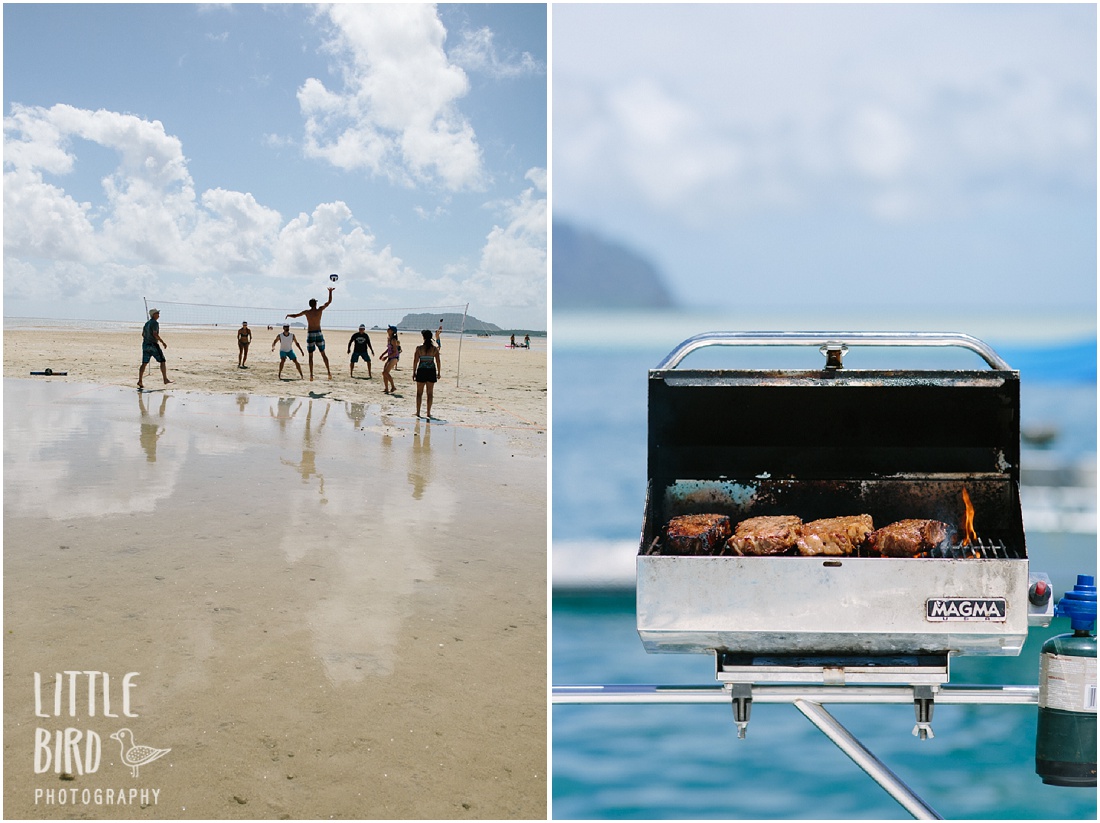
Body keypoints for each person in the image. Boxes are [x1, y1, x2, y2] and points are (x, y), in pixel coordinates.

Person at [285, 286, 334, 380]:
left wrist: (289, 315)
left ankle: (311, 375)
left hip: (311, 333)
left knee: (311, 355)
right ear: (315, 303)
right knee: (323, 353)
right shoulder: (319, 310)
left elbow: (295, 316)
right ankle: (328, 372)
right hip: (318, 333)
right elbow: (329, 302)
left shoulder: (307, 312)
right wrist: (330, 292)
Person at [138, 308, 173, 389]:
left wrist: (147, 338)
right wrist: (162, 342)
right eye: (157, 313)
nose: (159, 315)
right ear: (154, 314)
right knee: (162, 361)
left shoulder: (147, 323)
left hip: (145, 345)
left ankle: (140, 380)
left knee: (144, 363)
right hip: (153, 345)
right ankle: (165, 379)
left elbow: (143, 334)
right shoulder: (155, 323)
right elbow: (155, 334)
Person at [414, 329, 442, 418]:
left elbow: (415, 361)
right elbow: (438, 361)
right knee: (430, 393)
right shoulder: (434, 349)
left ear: (423, 337)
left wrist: (414, 372)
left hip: (421, 370)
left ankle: (418, 412)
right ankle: (428, 413)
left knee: (419, 393)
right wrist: (439, 372)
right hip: (431, 370)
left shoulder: (419, 348)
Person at [379, 325, 400, 394]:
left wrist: (386, 357)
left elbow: (395, 351)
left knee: (386, 372)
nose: (388, 329)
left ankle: (393, 386)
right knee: (384, 373)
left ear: (392, 331)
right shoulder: (389, 339)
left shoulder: (393, 340)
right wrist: (383, 354)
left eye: (389, 329)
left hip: (394, 357)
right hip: (390, 357)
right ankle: (386, 388)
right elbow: (389, 349)